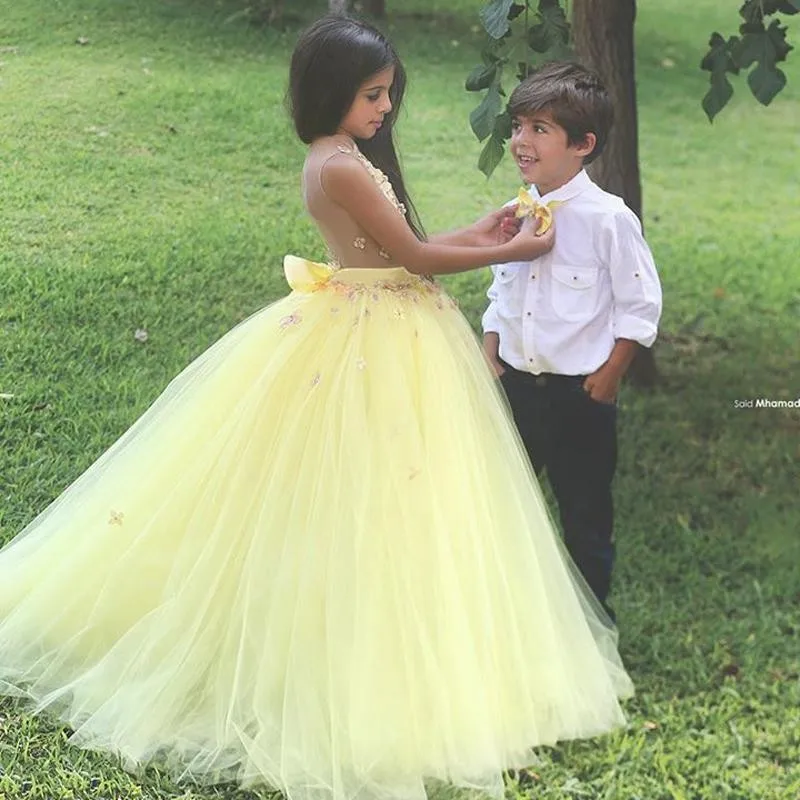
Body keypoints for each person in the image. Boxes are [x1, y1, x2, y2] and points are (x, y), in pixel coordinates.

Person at [0, 18, 632, 800]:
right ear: (332, 93)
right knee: (368, 493)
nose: (386, 107)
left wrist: (481, 227)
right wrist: (511, 249)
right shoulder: (340, 168)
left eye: (389, 93)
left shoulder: (344, 157)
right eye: (373, 95)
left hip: (386, 320)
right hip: (374, 334)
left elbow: (405, 243)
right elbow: (418, 259)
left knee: (407, 493)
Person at [482, 62, 663, 620]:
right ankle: (508, 620)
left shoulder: (609, 220)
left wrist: (609, 378)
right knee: (500, 508)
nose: (520, 140)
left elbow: (639, 306)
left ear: (583, 144)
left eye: (539, 128)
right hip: (516, 391)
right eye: (517, 126)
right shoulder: (518, 213)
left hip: (579, 396)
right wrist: (490, 351)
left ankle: (592, 628)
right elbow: (503, 289)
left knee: (585, 515)